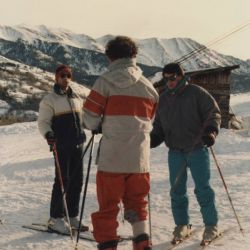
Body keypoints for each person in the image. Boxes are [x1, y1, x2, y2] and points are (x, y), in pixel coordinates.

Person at [82, 36, 159, 250]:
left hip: (112, 159)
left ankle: (108, 245)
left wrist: (100, 123)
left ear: (110, 57)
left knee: (108, 207)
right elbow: (150, 120)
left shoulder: (104, 82)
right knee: (137, 204)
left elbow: (89, 118)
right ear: (134, 56)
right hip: (139, 160)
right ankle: (142, 243)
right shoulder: (149, 88)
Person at [150, 63, 221, 243]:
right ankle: (182, 225)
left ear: (181, 77)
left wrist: (211, 131)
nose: (169, 81)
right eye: (166, 78)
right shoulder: (163, 98)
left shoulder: (196, 93)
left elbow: (213, 112)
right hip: (175, 151)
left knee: (203, 189)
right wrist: (153, 138)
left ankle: (211, 226)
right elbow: (158, 125)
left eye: (172, 78)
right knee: (176, 191)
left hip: (196, 148)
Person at [38, 65, 88, 234]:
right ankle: (55, 219)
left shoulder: (76, 97)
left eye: (68, 75)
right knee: (62, 181)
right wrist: (48, 134)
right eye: (62, 75)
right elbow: (43, 122)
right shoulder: (50, 99)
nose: (65, 78)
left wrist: (97, 126)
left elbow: (83, 120)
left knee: (77, 181)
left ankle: (71, 216)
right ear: (56, 78)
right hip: (61, 145)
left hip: (77, 144)